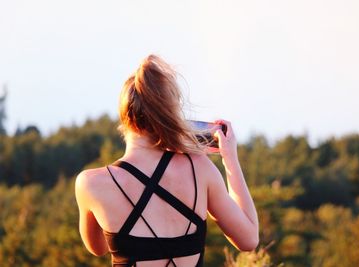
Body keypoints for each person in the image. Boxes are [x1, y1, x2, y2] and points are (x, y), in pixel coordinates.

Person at [75, 55, 259, 267]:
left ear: (124, 115)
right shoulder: (199, 168)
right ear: (171, 114)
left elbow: (98, 248)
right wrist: (230, 158)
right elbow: (249, 239)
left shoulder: (91, 183)